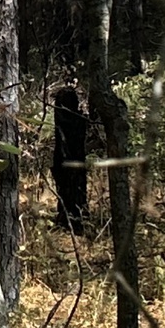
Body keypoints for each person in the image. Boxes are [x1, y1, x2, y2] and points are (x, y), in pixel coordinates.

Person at [52, 83, 92, 237]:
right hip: (67, 160)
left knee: (74, 189)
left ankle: (74, 218)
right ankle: (70, 218)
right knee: (69, 189)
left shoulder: (76, 120)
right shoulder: (69, 119)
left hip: (72, 161)